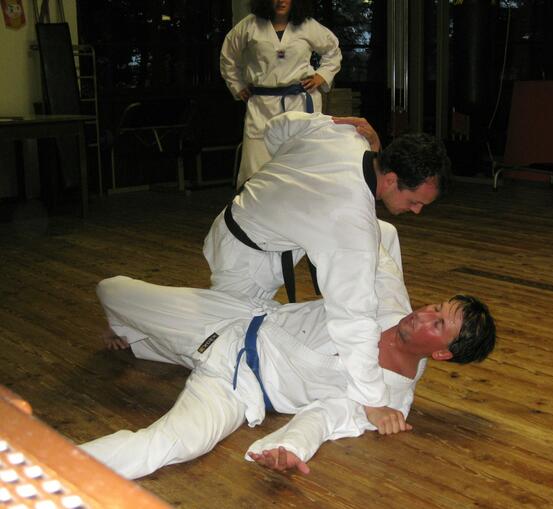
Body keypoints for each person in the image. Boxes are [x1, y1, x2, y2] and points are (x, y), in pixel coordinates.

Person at [80, 232, 495, 479]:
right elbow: (373, 238)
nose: (423, 314)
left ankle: (54, 469)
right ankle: (137, 337)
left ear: (442, 353)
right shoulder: (388, 301)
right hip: (236, 318)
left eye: (438, 323)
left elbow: (324, 418)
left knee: (178, 444)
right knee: (111, 289)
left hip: (238, 384)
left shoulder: (388, 400)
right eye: (436, 307)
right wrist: (364, 171)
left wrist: (290, 447)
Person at [203, 110, 452, 422]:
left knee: (385, 233)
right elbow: (352, 317)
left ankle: (386, 312)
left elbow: (276, 127)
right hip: (244, 256)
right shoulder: (350, 224)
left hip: (268, 222)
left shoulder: (346, 133)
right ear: (390, 179)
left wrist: (292, 177)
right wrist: (372, 399)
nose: (416, 211)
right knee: (215, 337)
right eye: (415, 201)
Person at [220, 0, 342, 188]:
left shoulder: (308, 26)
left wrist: (322, 75)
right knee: (255, 167)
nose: (281, 1)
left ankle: (301, 203)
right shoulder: (250, 25)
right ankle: (255, 204)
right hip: (262, 104)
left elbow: (332, 50)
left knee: (302, 162)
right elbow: (228, 57)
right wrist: (237, 85)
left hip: (299, 102)